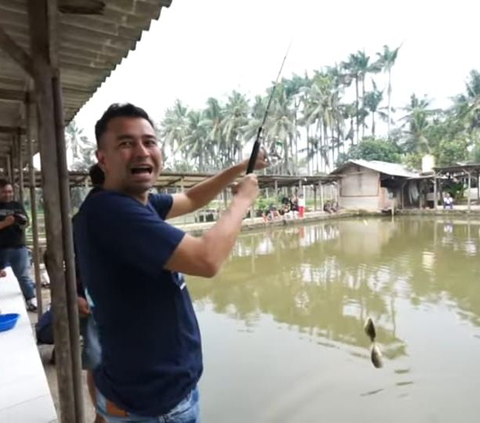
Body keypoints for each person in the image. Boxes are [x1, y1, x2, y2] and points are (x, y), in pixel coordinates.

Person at [73, 103, 267, 423]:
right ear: (102, 158)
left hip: (127, 384)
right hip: (156, 403)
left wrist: (240, 168)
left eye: (149, 141)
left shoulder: (131, 202)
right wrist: (242, 201)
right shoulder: (115, 213)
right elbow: (207, 259)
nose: (141, 151)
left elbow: (191, 199)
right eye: (126, 143)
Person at [0, 179, 37, 311]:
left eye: (10, 192)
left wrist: (24, 222)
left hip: (18, 246)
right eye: (4, 192)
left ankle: (31, 300)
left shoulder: (17, 205)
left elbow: (27, 224)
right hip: (1, 248)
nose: (8, 194)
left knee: (24, 276)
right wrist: (5, 223)